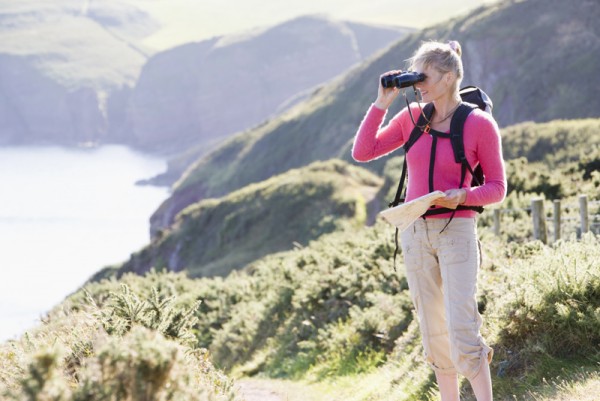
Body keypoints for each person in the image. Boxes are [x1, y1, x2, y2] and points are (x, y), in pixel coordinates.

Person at [352, 40, 506, 401]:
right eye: (415, 74)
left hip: (457, 230)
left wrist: (463, 195)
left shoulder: (479, 124)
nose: (418, 82)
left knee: (461, 325)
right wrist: (381, 103)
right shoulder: (410, 118)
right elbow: (363, 151)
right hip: (415, 231)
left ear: (449, 76)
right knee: (433, 330)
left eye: (425, 75)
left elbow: (498, 187)